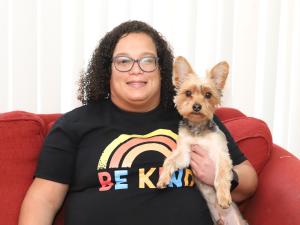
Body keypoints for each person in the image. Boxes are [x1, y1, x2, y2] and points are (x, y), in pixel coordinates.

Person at [18, 20, 257, 225]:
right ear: (107, 70)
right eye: (123, 61)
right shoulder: (74, 125)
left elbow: (248, 180)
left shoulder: (195, 116)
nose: (136, 70)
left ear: (161, 69)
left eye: (147, 61)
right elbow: (43, 199)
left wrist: (221, 175)